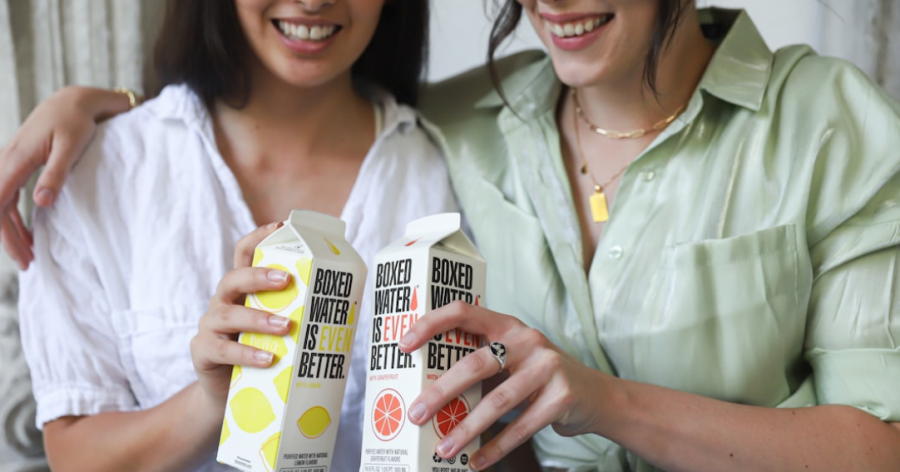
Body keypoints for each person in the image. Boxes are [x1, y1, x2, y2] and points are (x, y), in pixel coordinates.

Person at [3, 1, 900, 471]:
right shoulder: (471, 124)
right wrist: (102, 108)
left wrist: (600, 403)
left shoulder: (824, 122)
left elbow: (880, 445)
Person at [6, 1, 457, 471]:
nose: (312, 2)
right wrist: (213, 401)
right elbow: (74, 457)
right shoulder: (99, 173)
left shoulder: (454, 167)